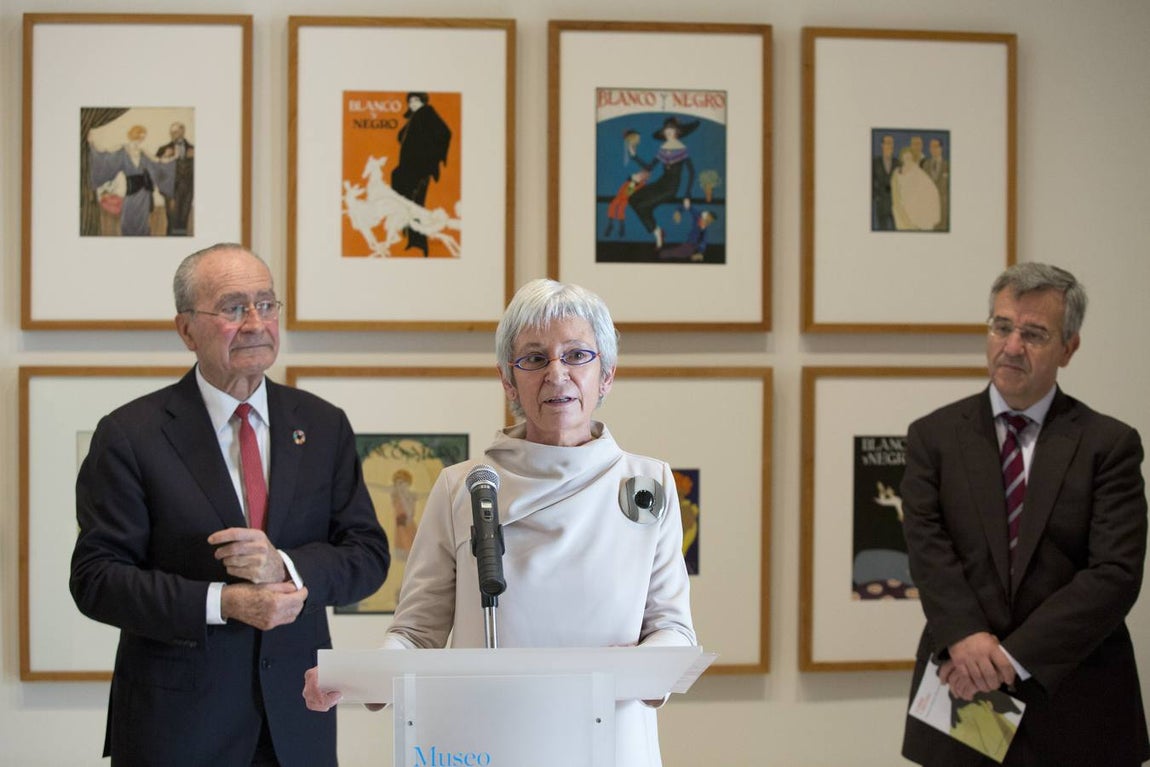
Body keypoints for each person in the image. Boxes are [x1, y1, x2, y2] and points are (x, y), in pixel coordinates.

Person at [303, 278, 696, 766]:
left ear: (607, 375)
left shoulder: (649, 483)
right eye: (534, 359)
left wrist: (638, 668)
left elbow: (673, 628)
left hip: (611, 741)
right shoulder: (461, 486)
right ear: (508, 381)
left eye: (577, 355)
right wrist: (357, 676)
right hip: (486, 740)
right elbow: (417, 632)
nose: (556, 374)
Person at [70, 243, 391, 767]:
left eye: (266, 304)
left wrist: (283, 566)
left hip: (297, 723)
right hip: (176, 731)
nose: (255, 323)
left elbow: (368, 556)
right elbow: (96, 579)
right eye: (233, 308)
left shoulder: (323, 423)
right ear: (186, 329)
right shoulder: (130, 434)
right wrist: (223, 602)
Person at [900, 262, 1149, 766]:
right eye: (1002, 327)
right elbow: (928, 549)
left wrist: (1009, 659)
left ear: (1069, 348)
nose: (1012, 346)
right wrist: (967, 639)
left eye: (1034, 334)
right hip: (963, 691)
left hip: (1078, 702)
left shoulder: (1109, 445)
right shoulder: (933, 437)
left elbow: (1115, 573)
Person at [390, 92, 452, 256]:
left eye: (416, 100)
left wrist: (433, 159)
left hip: (419, 170)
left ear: (423, 102)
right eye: (410, 101)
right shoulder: (415, 118)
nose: (412, 104)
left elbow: (445, 133)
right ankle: (412, 239)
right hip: (409, 169)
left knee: (415, 205)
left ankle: (418, 242)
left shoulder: (427, 114)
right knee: (408, 203)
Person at [88, 124, 175, 236]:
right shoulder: (122, 149)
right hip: (131, 189)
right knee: (128, 217)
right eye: (139, 136)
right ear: (133, 135)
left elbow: (157, 162)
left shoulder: (143, 151)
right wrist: (92, 144)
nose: (141, 140)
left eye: (143, 137)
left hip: (144, 192)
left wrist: (172, 158)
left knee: (143, 219)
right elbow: (106, 155)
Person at [628, 116, 698, 249]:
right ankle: (656, 229)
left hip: (670, 189)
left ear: (677, 132)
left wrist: (687, 195)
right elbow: (649, 167)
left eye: (672, 129)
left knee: (642, 206)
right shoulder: (663, 148)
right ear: (664, 132)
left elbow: (692, 172)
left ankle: (657, 232)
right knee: (632, 198)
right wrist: (634, 156)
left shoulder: (682, 149)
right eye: (667, 130)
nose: (669, 132)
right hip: (660, 183)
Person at [157, 121, 195, 236]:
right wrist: (164, 156)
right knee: (172, 219)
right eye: (171, 132)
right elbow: (155, 169)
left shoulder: (194, 149)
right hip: (171, 191)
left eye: (175, 132)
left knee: (184, 218)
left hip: (188, 190)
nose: (172, 134)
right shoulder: (163, 149)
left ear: (182, 132)